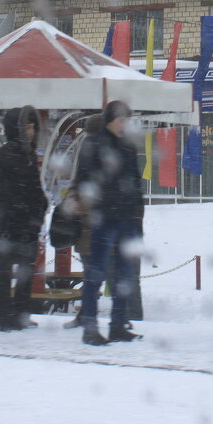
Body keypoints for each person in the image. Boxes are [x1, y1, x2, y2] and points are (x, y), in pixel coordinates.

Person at [75, 100, 143, 346]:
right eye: (121, 120)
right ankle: (90, 326)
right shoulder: (93, 144)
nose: (124, 125)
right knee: (97, 272)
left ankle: (118, 324)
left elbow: (133, 178)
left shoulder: (127, 146)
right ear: (110, 120)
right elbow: (83, 180)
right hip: (104, 217)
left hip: (125, 217)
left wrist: (134, 203)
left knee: (124, 275)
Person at [0, 106, 48, 331]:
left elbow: (33, 187)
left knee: (24, 270)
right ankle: (4, 317)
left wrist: (39, 206)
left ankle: (20, 313)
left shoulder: (28, 154)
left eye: (33, 127)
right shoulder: (6, 154)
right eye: (27, 127)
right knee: (6, 271)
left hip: (26, 224)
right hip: (10, 223)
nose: (31, 132)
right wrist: (21, 206)